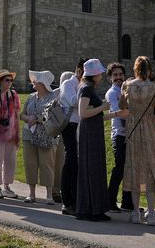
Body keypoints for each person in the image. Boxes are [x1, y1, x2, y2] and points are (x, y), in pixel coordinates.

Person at [120, 56, 155, 226]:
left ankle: (135, 212)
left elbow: (121, 105)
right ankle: (152, 213)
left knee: (135, 167)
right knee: (150, 168)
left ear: (135, 69)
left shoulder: (127, 85)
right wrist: (153, 116)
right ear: (149, 70)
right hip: (149, 131)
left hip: (132, 129)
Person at [74, 59, 117, 221]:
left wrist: (115, 114)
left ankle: (96, 209)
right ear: (95, 74)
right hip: (89, 134)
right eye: (99, 73)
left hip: (93, 132)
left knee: (95, 169)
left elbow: (96, 116)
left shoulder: (89, 88)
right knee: (91, 169)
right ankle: (88, 210)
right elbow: (83, 113)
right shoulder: (86, 89)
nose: (101, 75)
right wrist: (103, 107)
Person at [20, 70, 58, 205]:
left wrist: (37, 119)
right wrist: (28, 118)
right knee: (30, 164)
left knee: (47, 164)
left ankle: (49, 195)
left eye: (36, 80)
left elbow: (53, 117)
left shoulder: (53, 98)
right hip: (29, 134)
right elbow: (22, 115)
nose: (33, 82)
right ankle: (31, 194)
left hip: (46, 136)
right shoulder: (30, 97)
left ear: (43, 83)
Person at [104, 62, 134, 212]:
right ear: (110, 77)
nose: (118, 77)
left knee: (129, 169)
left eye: (120, 74)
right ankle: (110, 201)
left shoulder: (127, 90)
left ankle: (127, 202)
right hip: (120, 134)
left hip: (131, 135)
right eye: (115, 75)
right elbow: (120, 113)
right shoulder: (112, 93)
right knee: (119, 168)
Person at [59, 59, 86, 215]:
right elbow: (73, 101)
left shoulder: (83, 85)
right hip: (70, 125)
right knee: (70, 162)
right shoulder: (68, 84)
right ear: (78, 70)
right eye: (82, 70)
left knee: (77, 163)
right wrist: (87, 98)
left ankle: (76, 199)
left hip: (81, 125)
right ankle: (67, 201)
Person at [0, 69, 20, 199]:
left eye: (11, 80)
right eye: (7, 80)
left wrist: (17, 133)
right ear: (0, 81)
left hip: (11, 133)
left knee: (10, 161)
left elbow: (16, 114)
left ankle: (6, 187)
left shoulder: (13, 94)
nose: (10, 82)